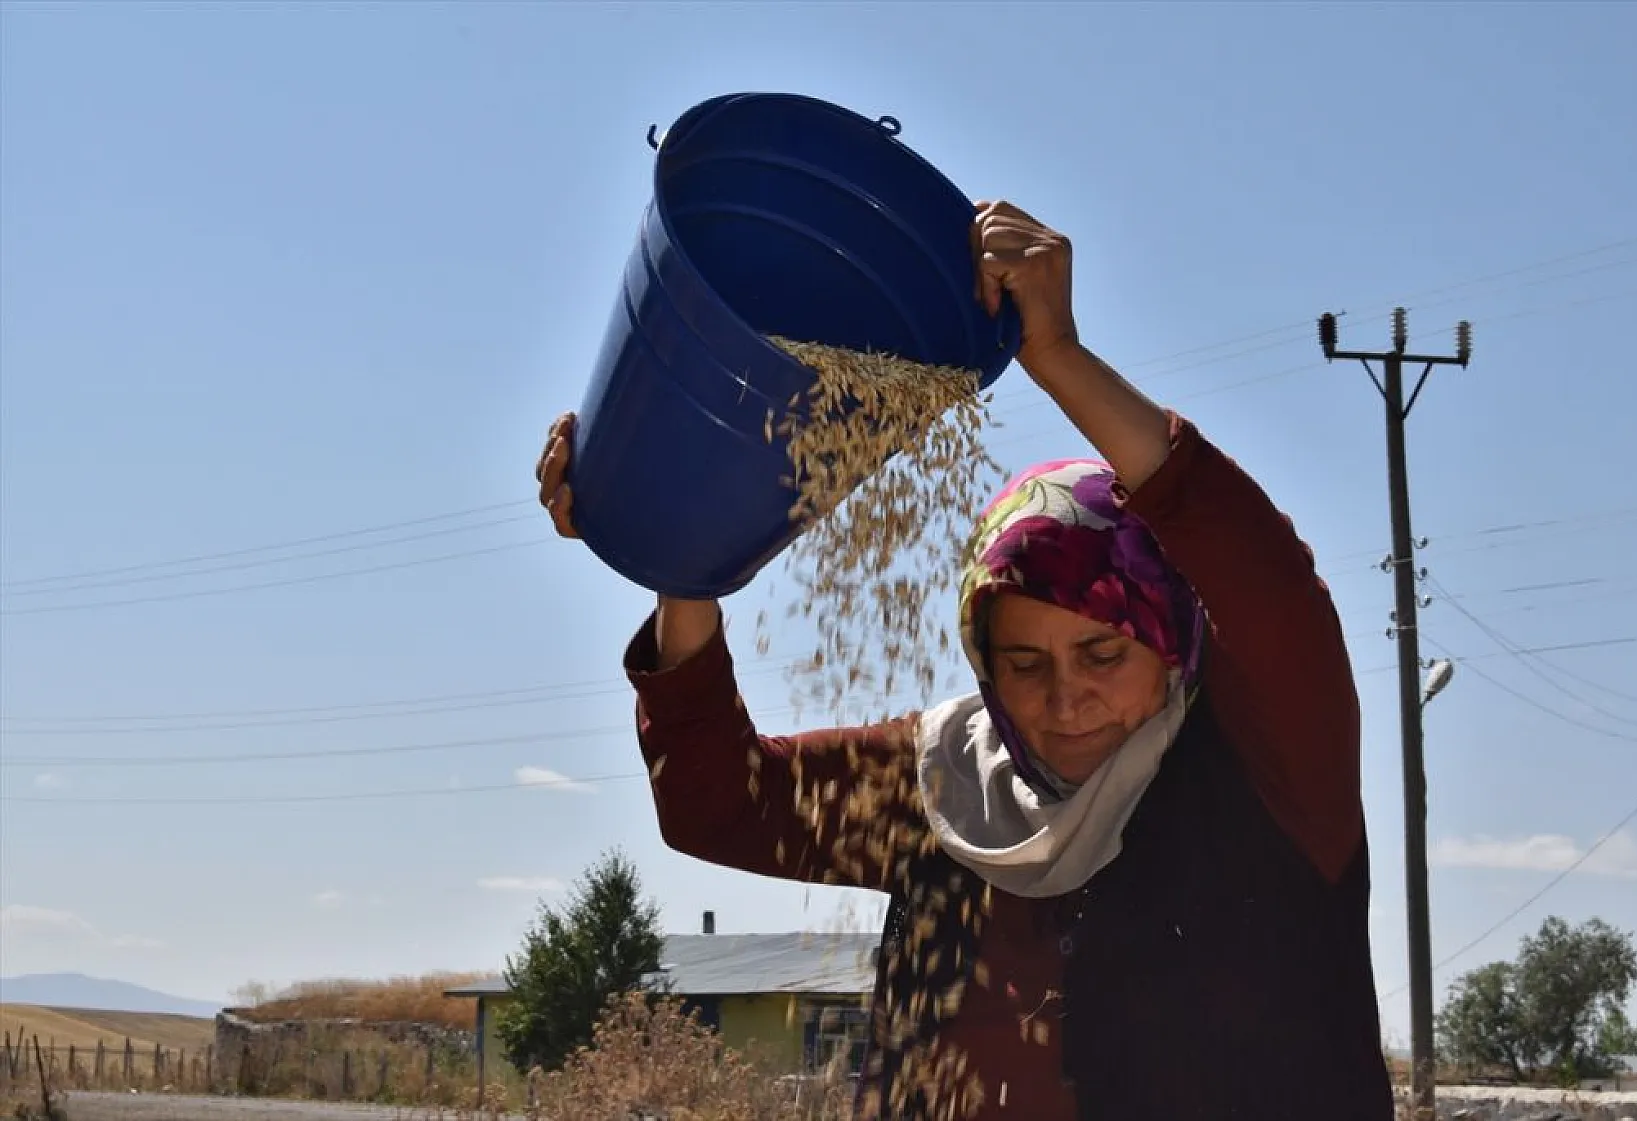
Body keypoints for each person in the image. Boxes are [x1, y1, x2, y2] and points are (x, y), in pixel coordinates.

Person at [536, 201, 1394, 1120]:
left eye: (1102, 650)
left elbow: (1264, 575)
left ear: (1171, 635)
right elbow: (717, 799)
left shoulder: (1268, 771)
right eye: (1022, 663)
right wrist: (680, 552)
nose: (1066, 699)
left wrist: (1058, 357)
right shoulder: (945, 783)